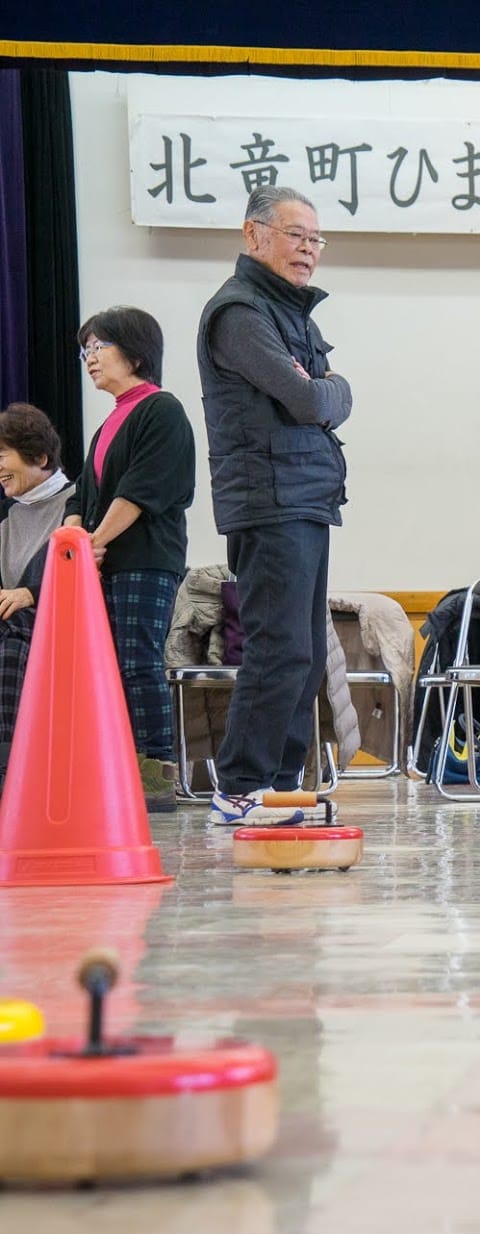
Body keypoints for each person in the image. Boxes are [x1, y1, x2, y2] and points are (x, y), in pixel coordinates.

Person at [196, 186, 351, 826]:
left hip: (308, 496)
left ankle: (279, 788)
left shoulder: (296, 316)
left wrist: (325, 388)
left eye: (316, 240)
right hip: (270, 498)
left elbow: (321, 394)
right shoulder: (238, 313)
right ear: (254, 234)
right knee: (278, 648)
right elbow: (310, 401)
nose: (309, 251)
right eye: (296, 235)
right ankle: (239, 786)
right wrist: (326, 391)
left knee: (306, 653)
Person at [66, 307, 196, 813]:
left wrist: (94, 541)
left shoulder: (161, 410)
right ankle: (119, 772)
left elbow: (142, 491)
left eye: (99, 346)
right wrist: (77, 531)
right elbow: (84, 493)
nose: (90, 359)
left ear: (136, 352)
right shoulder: (109, 422)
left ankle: (156, 777)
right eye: (86, 350)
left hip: (145, 556)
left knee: (139, 663)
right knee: (113, 667)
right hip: (105, 559)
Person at [0, 404, 77, 794]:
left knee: (12, 633)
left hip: (63, 628)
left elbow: (83, 576)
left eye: (2, 455)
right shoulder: (6, 517)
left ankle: (8, 771)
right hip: (15, 626)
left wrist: (30, 592)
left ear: (40, 458)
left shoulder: (76, 505)